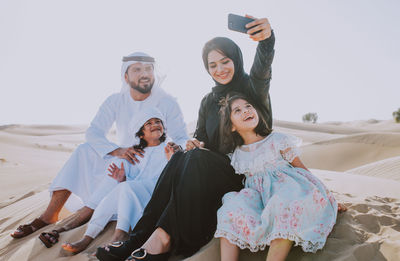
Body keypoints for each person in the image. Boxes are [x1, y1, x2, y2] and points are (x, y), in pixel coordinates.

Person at [96, 15, 276, 261]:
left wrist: (267, 40)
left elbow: (263, 66)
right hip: (208, 172)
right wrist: (193, 144)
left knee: (195, 160)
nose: (220, 69)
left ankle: (164, 240)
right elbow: (201, 138)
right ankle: (139, 239)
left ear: (236, 59)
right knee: (181, 157)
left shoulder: (252, 88)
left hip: (244, 173)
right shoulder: (207, 100)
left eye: (225, 61)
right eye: (212, 65)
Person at [10, 52, 188, 239]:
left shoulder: (167, 102)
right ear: (126, 76)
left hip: (154, 164)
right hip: (122, 159)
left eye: (148, 69)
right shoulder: (115, 101)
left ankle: (92, 220)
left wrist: (175, 148)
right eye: (137, 69)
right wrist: (118, 150)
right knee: (83, 150)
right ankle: (49, 216)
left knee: (124, 176)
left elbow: (182, 137)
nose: (144, 73)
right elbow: (93, 132)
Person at [215, 93, 338, 261]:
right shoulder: (237, 155)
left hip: (288, 190)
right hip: (259, 199)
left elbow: (300, 167)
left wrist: (325, 192)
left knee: (282, 207)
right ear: (231, 127)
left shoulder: (277, 140)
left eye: (248, 106)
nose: (245, 111)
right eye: (237, 110)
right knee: (230, 208)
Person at [54, 108, 178, 253]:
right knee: (116, 191)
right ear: (141, 133)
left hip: (158, 194)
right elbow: (136, 180)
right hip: (137, 193)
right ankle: (88, 237)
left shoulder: (170, 147)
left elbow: (175, 174)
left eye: (158, 121)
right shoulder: (136, 153)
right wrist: (124, 178)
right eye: (148, 123)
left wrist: (173, 158)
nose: (155, 124)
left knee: (125, 188)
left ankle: (120, 235)